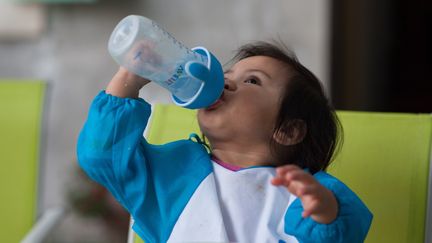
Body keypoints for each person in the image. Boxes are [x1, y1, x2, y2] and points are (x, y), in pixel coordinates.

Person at [77, 42, 372, 243]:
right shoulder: (174, 176)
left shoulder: (302, 192)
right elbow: (104, 157)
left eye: (252, 81)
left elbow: (342, 230)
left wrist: (324, 211)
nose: (225, 81)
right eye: (228, 75)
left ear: (288, 130)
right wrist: (129, 77)